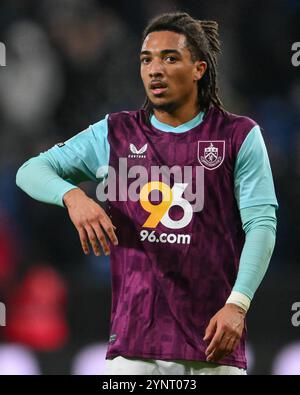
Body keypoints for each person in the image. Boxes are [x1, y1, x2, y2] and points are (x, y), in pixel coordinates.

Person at [16, 12, 278, 375]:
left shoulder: (238, 137)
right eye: (146, 59)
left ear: (199, 68)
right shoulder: (115, 133)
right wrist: (73, 197)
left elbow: (262, 225)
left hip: (212, 346)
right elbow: (30, 171)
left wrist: (238, 303)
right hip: (135, 352)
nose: (155, 69)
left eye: (170, 58)